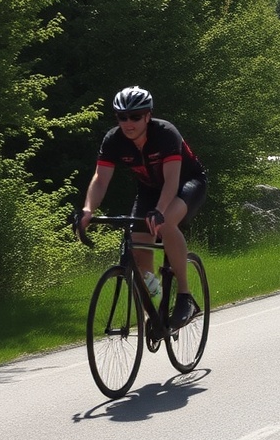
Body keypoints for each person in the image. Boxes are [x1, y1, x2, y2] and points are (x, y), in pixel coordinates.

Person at [80, 86, 208, 328]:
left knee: (167, 222)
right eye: (122, 117)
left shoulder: (165, 133)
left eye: (135, 117)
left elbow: (171, 181)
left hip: (187, 183)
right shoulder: (114, 140)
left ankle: (184, 296)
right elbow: (100, 179)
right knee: (140, 255)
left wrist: (159, 211)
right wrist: (88, 210)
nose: (128, 123)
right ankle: (157, 306)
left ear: (148, 116)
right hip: (150, 190)